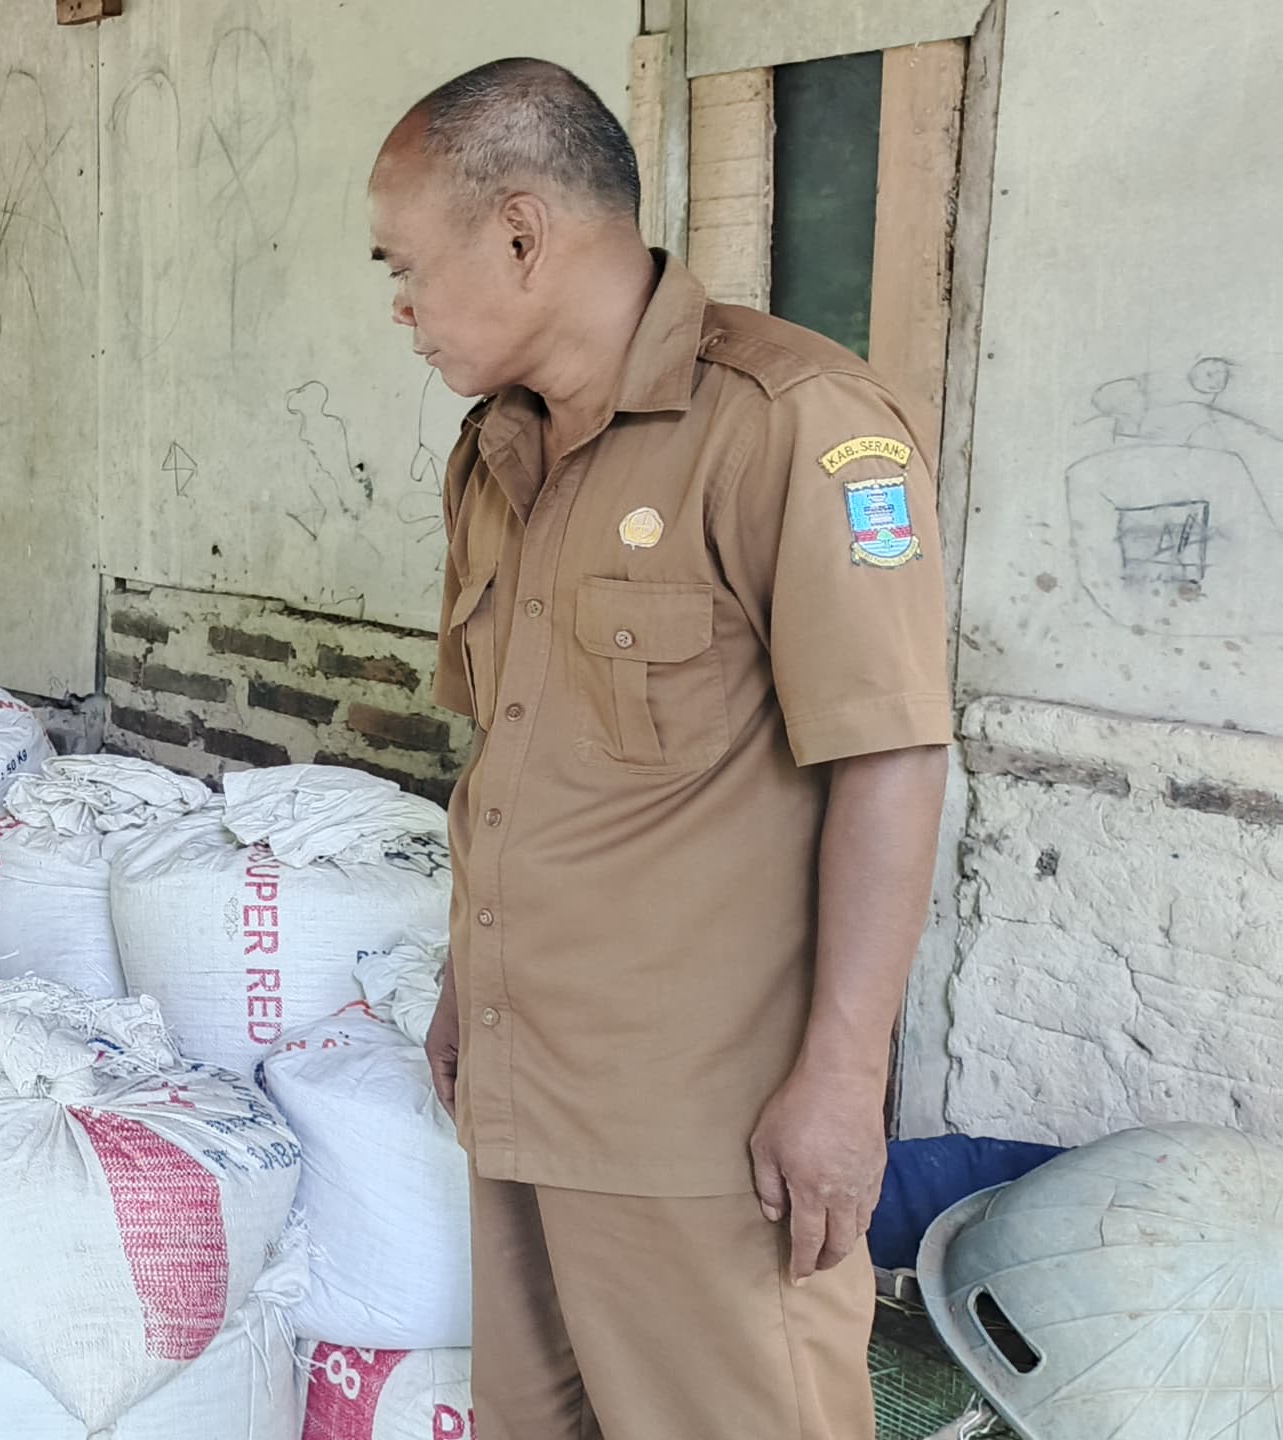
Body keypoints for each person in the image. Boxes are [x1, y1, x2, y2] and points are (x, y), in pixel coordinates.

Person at [366, 59, 952, 1440]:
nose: (399, 307)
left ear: (521, 234)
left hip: (704, 1132)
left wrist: (839, 1082)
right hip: (524, 1078)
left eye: (405, 266)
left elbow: (889, 762)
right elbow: (517, 759)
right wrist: (464, 978)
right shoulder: (498, 453)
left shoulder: (793, 425)